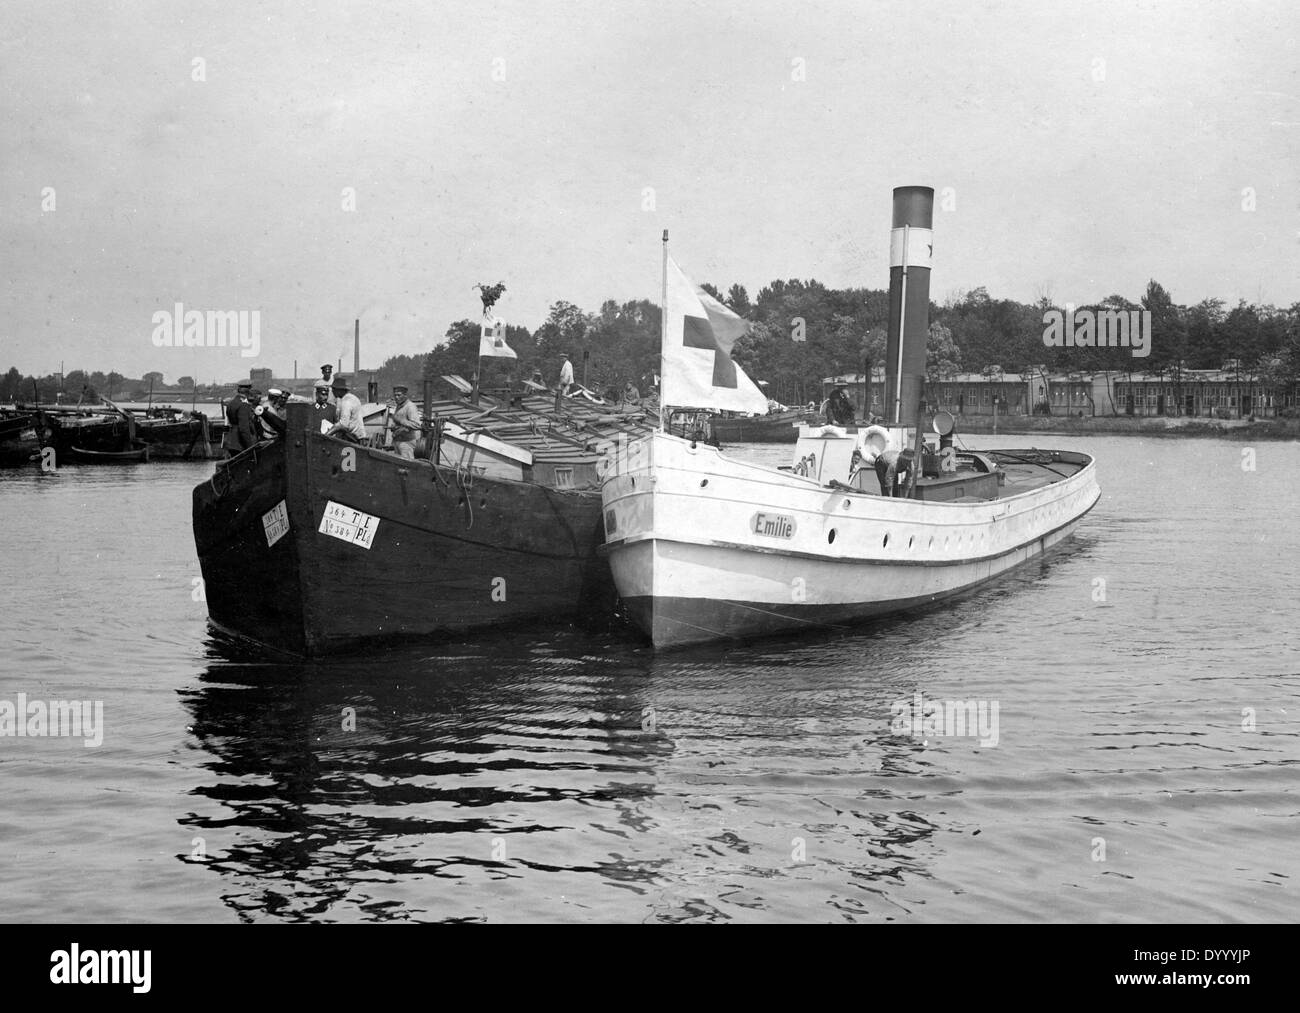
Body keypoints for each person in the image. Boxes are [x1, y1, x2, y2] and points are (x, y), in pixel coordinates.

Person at [221, 381, 259, 457]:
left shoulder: (231, 403)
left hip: (232, 441)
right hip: (241, 444)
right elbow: (244, 429)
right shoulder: (243, 405)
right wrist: (250, 447)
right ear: (248, 391)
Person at [385, 384, 423, 460]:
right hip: (398, 442)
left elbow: (417, 425)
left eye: (399, 395)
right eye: (395, 395)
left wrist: (401, 421)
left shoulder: (410, 406)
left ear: (405, 395)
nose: (396, 397)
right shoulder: (399, 406)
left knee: (406, 467)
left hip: (406, 443)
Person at [327, 375, 367, 442]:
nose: (332, 391)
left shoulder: (346, 402)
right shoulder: (352, 398)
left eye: (334, 389)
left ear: (339, 390)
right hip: (359, 436)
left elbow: (344, 424)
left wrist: (327, 434)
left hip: (354, 438)